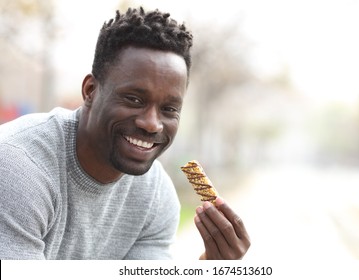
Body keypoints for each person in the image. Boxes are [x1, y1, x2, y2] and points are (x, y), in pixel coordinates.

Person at [0, 6, 250, 260]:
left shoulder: (154, 194)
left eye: (169, 109)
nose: (152, 124)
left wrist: (210, 267)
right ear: (90, 91)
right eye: (133, 99)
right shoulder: (19, 168)